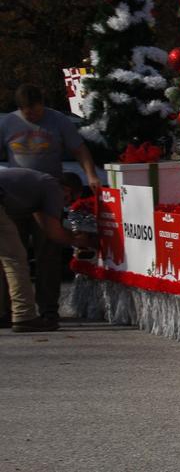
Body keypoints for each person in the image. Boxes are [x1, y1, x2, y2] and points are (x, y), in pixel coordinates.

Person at [0, 83, 101, 321]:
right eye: (26, 111)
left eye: (34, 110)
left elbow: (80, 149)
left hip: (47, 194)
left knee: (48, 253)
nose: (31, 116)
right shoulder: (7, 123)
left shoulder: (58, 121)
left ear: (42, 104)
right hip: (16, 196)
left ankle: (47, 309)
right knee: (12, 255)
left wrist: (91, 174)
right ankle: (8, 310)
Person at [0, 168, 89, 332]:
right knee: (15, 260)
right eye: (68, 201)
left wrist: (69, 238)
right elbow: (55, 232)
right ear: (67, 190)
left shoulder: (37, 187)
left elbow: (48, 229)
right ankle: (24, 316)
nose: (65, 205)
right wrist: (77, 240)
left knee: (5, 258)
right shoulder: (52, 187)